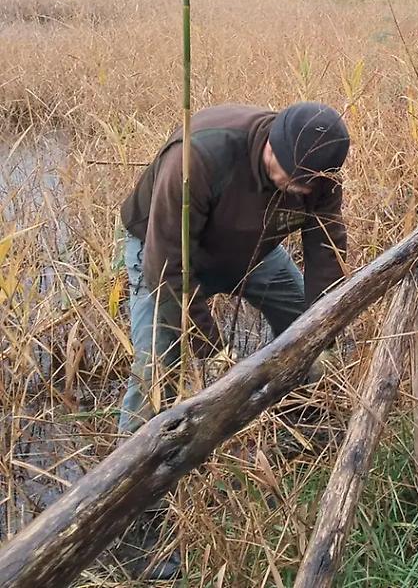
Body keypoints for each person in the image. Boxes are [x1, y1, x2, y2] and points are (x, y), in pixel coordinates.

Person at [115, 101, 349, 579]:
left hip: (251, 250)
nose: (301, 190)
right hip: (168, 257)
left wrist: (321, 321)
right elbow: (168, 265)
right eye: (292, 177)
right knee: (155, 368)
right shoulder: (199, 156)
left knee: (298, 313)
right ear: (270, 145)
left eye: (311, 184)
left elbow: (325, 243)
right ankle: (128, 501)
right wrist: (210, 342)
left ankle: (298, 412)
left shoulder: (318, 173)